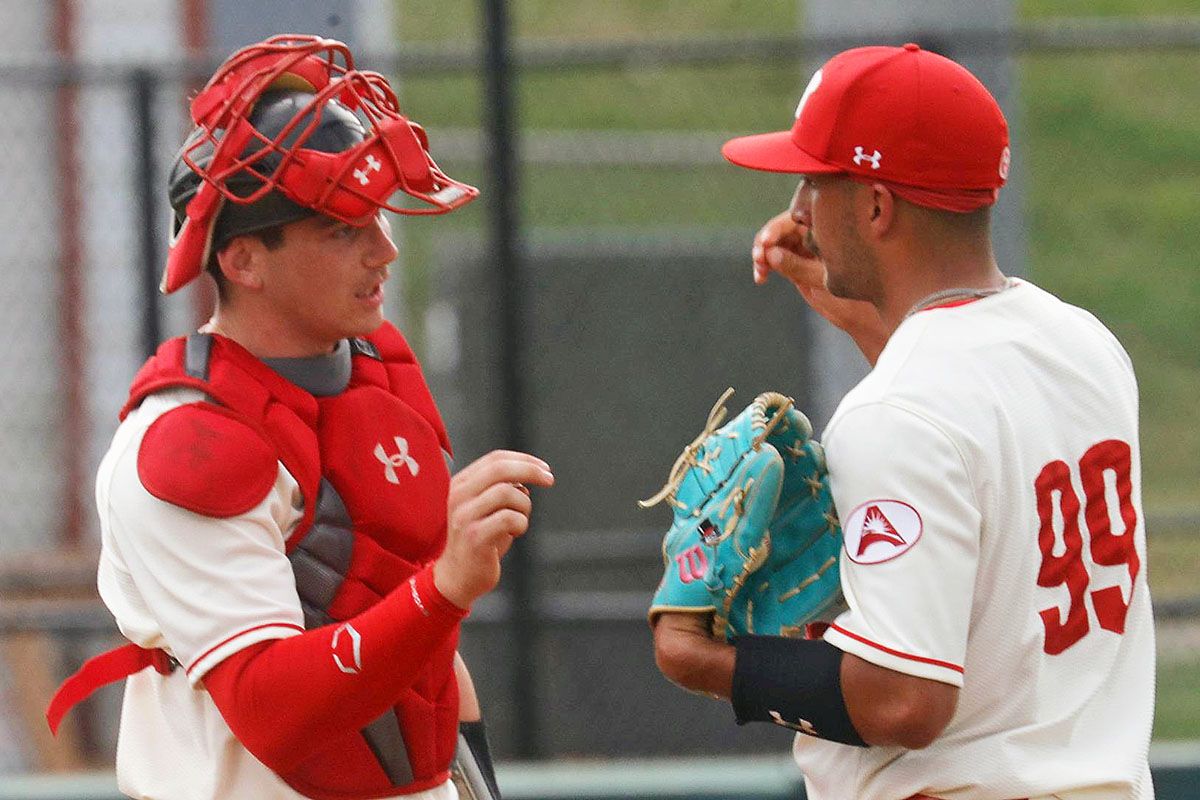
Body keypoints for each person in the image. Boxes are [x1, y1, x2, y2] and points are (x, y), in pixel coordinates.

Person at [47, 35, 553, 800]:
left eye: (376, 220)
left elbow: (417, 637)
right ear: (244, 261)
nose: (383, 251)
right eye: (341, 229)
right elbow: (272, 711)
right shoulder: (188, 441)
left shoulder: (376, 370)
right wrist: (445, 584)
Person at [651, 43, 1155, 800]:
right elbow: (974, 419)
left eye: (817, 183)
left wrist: (701, 660)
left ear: (878, 206)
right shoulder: (1082, 341)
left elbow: (903, 700)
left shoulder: (899, 411)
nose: (797, 210)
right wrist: (871, 316)